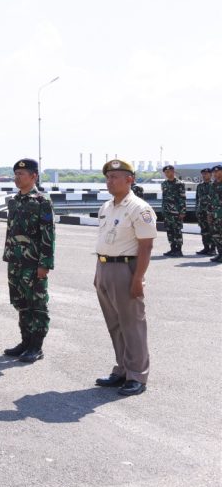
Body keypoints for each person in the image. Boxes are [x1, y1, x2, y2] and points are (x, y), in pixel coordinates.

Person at [93, 159, 156, 397]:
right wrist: (98, 272)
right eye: (107, 177)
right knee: (115, 325)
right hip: (104, 267)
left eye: (115, 177)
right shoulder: (107, 207)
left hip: (125, 269)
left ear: (129, 179)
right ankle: (122, 369)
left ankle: (137, 375)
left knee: (133, 325)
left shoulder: (139, 208)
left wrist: (138, 278)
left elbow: (146, 246)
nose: (109, 181)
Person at [2, 158, 55, 362]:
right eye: (15, 174)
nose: (17, 177)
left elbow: (48, 234)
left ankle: (36, 346)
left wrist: (45, 264)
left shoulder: (42, 201)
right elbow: (11, 231)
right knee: (20, 302)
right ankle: (25, 342)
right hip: (15, 261)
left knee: (37, 304)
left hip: (33, 263)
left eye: (21, 174)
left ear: (34, 176)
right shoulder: (14, 201)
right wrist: (8, 255)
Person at [159, 165, 185, 257]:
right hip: (167, 212)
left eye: (169, 172)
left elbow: (182, 198)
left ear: (173, 171)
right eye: (166, 172)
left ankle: (179, 250)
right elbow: (164, 198)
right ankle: (172, 248)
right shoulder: (164, 184)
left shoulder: (179, 183)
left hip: (176, 212)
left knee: (177, 231)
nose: (167, 174)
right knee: (169, 231)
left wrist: (182, 212)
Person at [195, 168, 216, 256]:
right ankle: (206, 247)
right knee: (204, 230)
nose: (204, 175)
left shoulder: (214, 185)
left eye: (206, 174)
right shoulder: (199, 186)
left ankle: (213, 249)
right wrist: (197, 210)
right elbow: (197, 199)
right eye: (203, 174)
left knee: (213, 230)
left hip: (211, 212)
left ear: (211, 175)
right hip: (201, 212)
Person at [211, 166, 222, 264]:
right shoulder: (213, 184)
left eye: (217, 171)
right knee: (216, 235)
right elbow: (211, 201)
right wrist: (209, 214)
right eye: (214, 172)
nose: (215, 173)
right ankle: (220, 254)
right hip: (215, 215)